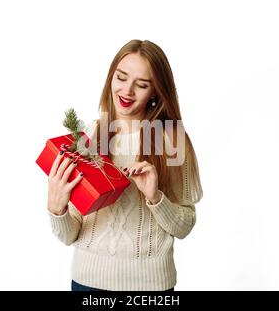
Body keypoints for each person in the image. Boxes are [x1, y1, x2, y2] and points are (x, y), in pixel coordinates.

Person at [46, 39, 203, 291]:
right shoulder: (89, 137)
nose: (127, 91)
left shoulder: (171, 139)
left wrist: (156, 198)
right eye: (121, 77)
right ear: (111, 76)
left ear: (155, 91)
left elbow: (184, 227)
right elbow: (70, 235)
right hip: (88, 284)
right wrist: (57, 209)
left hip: (151, 287)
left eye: (141, 84)